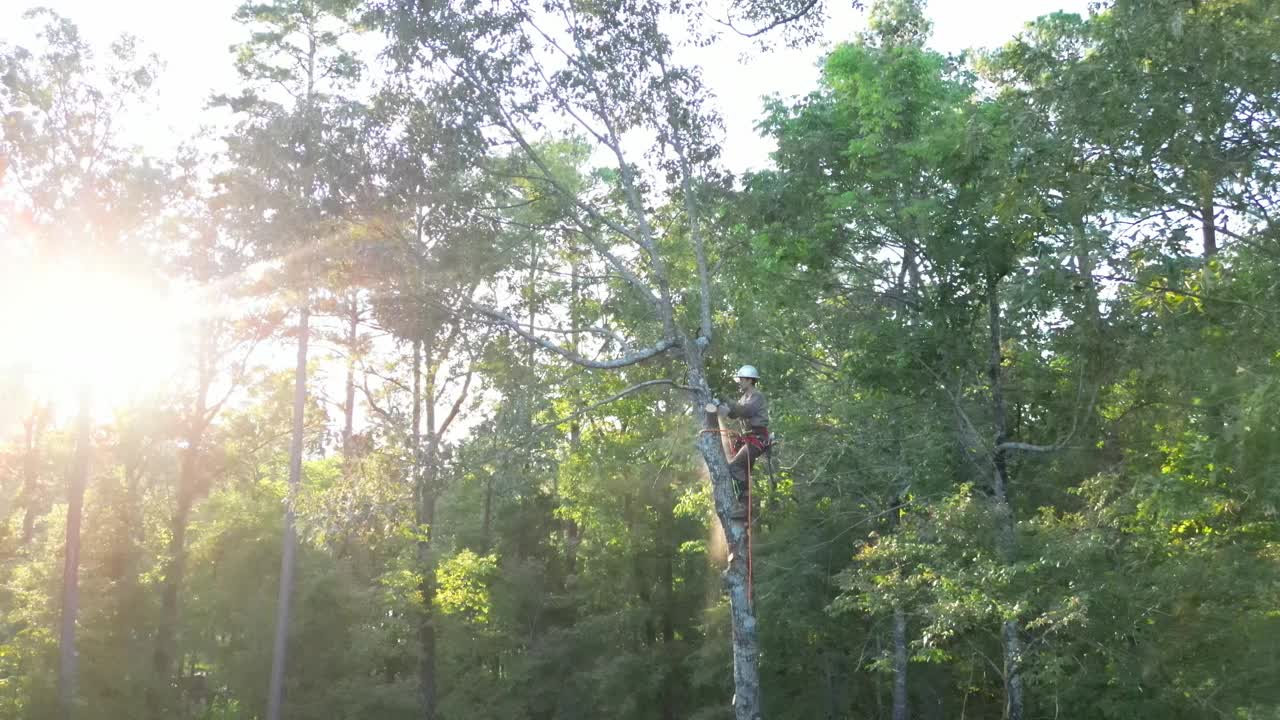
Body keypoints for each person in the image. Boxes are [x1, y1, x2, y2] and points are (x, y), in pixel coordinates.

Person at [717, 365, 769, 520]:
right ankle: (746, 510)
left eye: (741, 379)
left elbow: (745, 411)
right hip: (748, 439)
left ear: (749, 380)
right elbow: (735, 413)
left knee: (735, 466)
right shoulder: (744, 397)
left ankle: (746, 508)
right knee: (743, 471)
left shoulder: (756, 396)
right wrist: (722, 407)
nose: (739, 382)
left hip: (757, 439)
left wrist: (725, 399)